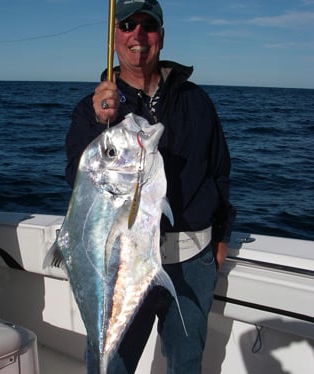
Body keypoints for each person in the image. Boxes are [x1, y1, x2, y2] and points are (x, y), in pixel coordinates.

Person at [65, 0, 236, 373]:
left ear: (162, 35)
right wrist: (100, 125)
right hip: (124, 264)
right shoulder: (93, 110)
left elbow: (220, 171)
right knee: (111, 364)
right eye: (127, 24)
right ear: (114, 37)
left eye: (148, 25)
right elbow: (79, 180)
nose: (137, 35)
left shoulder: (197, 101)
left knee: (186, 364)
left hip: (192, 260)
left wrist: (222, 235)